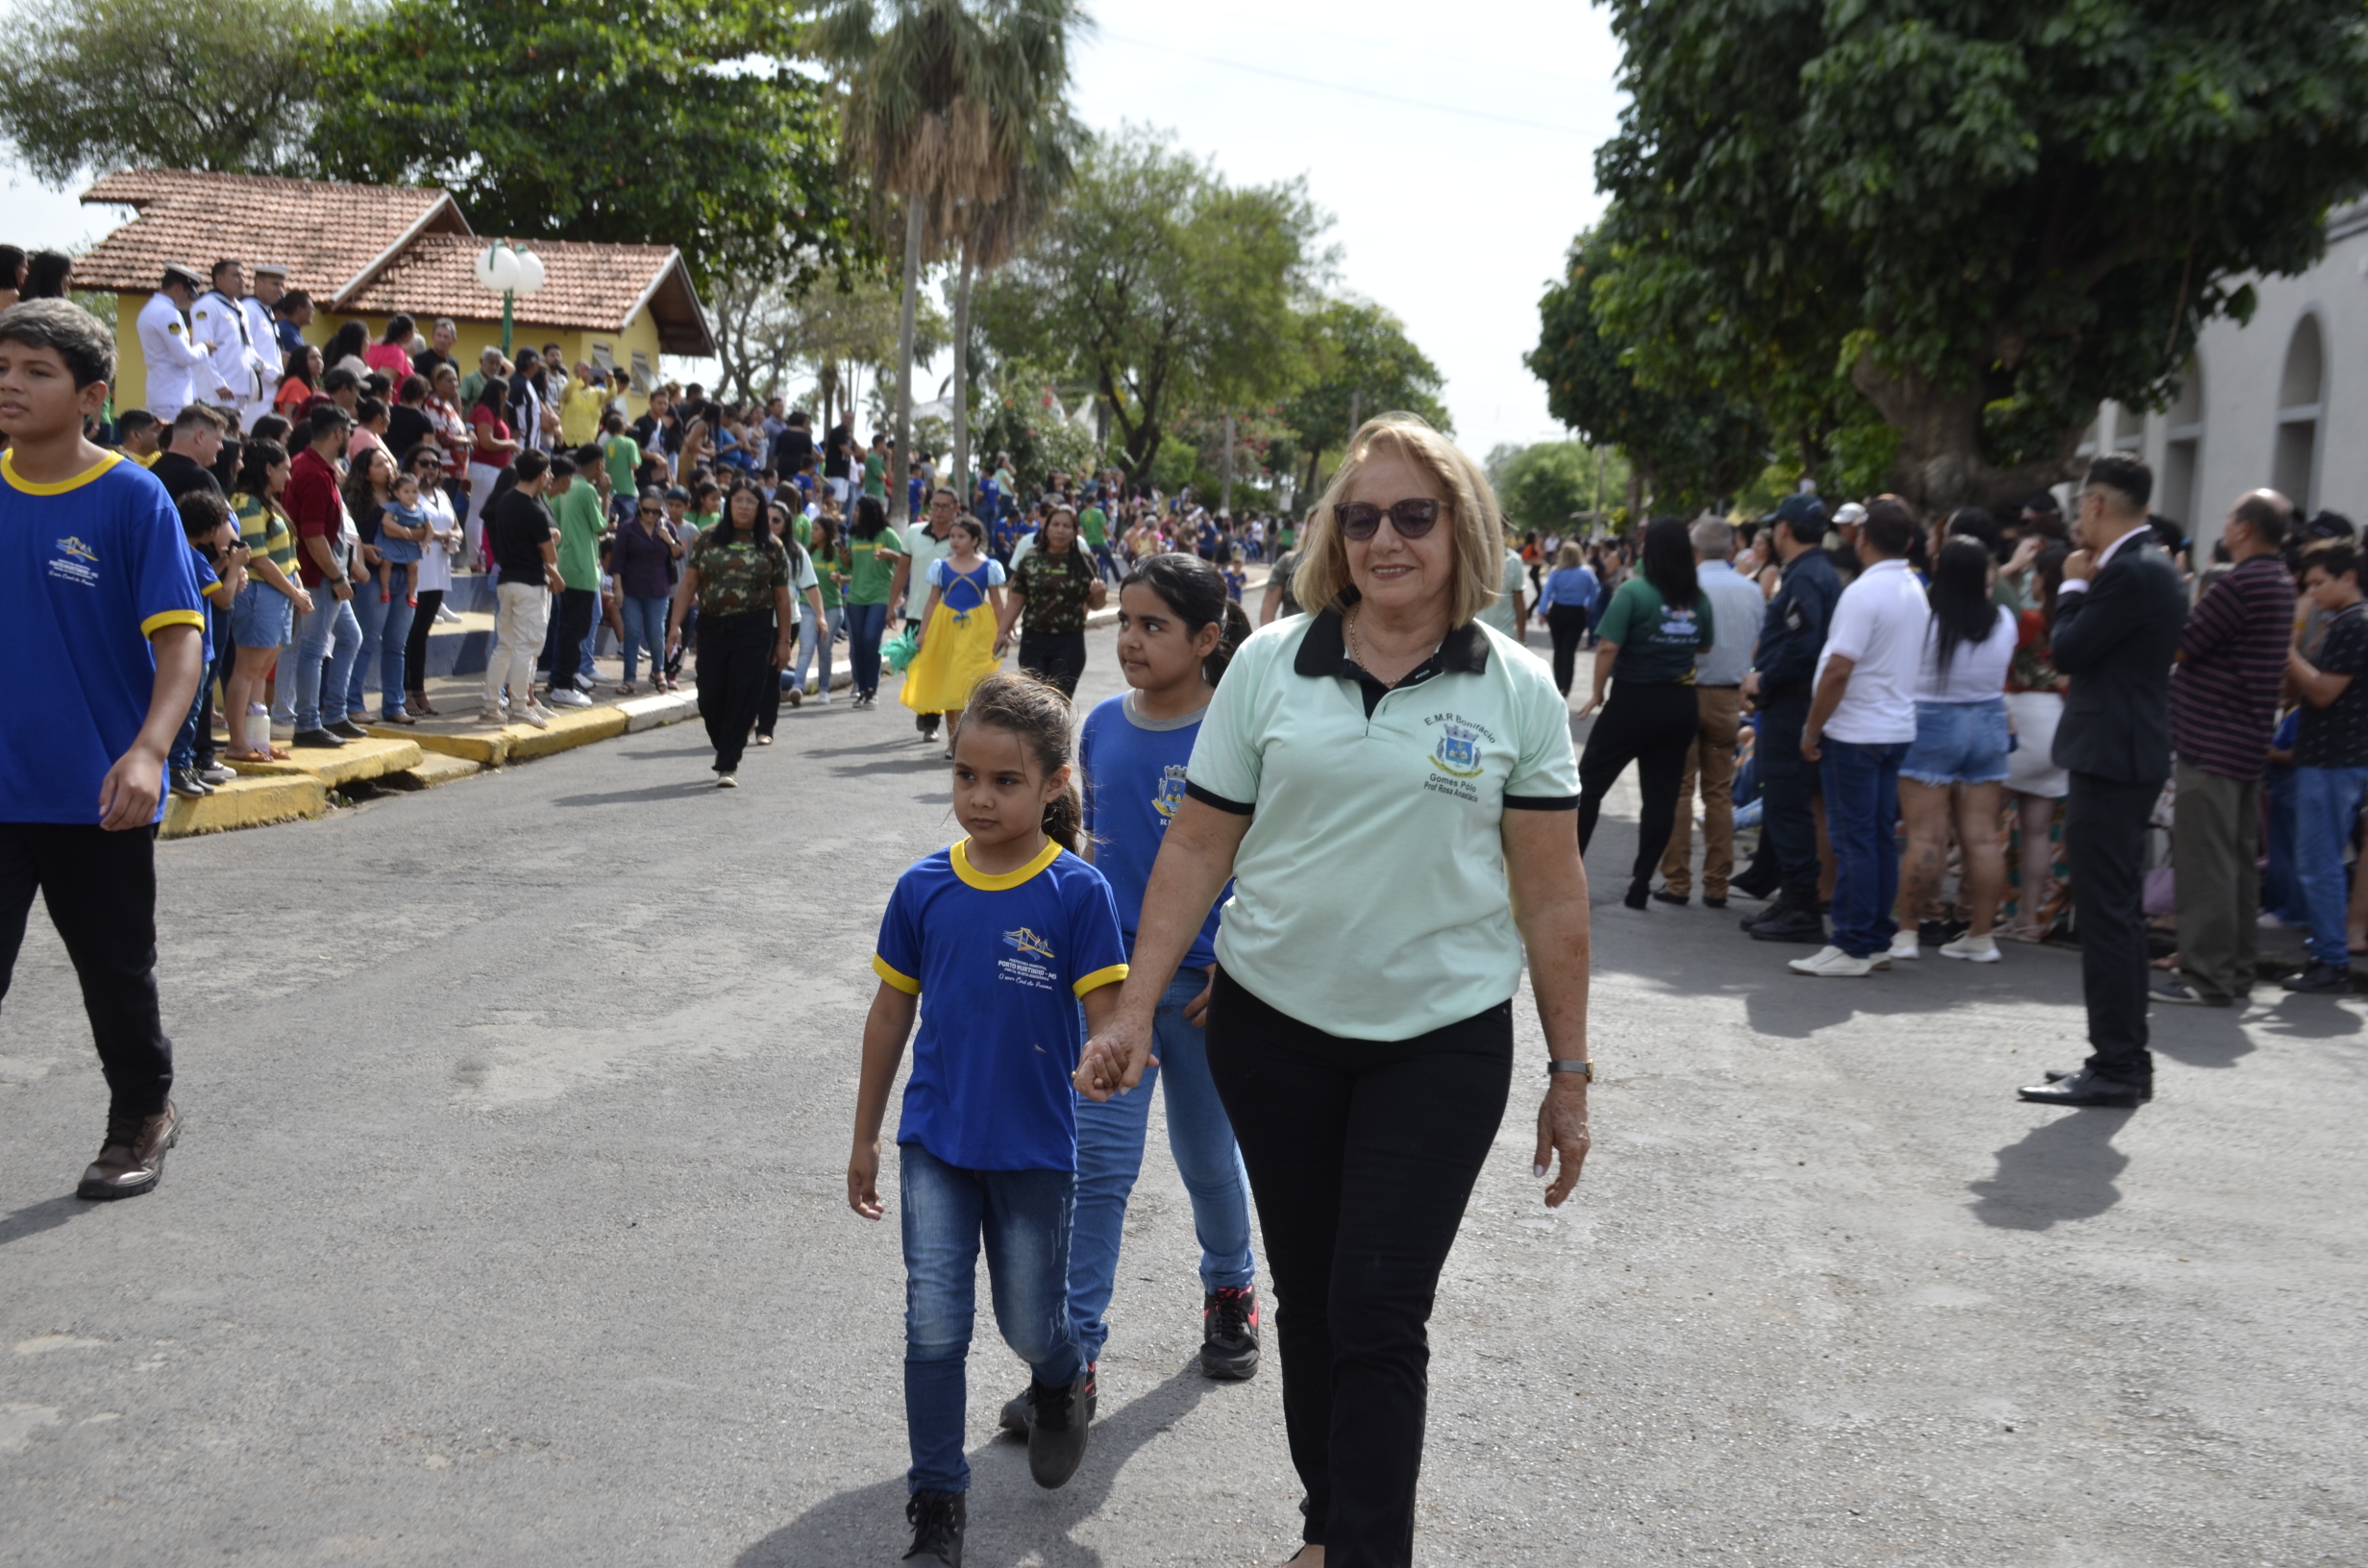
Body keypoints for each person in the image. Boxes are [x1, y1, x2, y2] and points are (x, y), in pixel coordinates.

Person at [1074, 414, 1591, 1568]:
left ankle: (1365, 1553)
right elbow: (1198, 849)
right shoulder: (1269, 662)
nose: (1386, 540)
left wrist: (1570, 1073)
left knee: (1375, 1307)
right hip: (1272, 1033)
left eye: (1414, 515)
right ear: (1333, 535)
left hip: (1441, 1042)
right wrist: (1131, 1006)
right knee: (1310, 1300)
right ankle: (1327, 1530)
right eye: (1361, 518)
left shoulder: (1516, 690)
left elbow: (1553, 898)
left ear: (1462, 527)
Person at [849, 674, 1130, 1563]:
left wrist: (1106, 1060)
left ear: (1054, 785)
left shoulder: (1078, 893)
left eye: (1005, 781)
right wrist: (864, 1135)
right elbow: (890, 1013)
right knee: (933, 1325)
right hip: (934, 1139)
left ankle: (1061, 1378)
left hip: (1034, 1151)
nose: (978, 797)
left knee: (1028, 1323)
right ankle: (938, 1505)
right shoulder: (923, 886)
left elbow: (1110, 1020)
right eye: (965, 774)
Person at [996, 554, 1262, 1448]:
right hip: (1113, 990)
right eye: (1128, 623)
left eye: (1156, 626)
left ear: (1208, 640)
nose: (1133, 642)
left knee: (1204, 1156)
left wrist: (1236, 956)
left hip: (1204, 994)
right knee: (1096, 1173)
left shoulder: (1236, 731)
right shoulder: (1101, 726)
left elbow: (1267, 856)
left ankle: (1230, 1291)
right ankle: (1073, 1364)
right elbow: (1081, 855)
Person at [0, 299, 206, 1201]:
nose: (10, 384)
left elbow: (181, 640)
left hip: (97, 791)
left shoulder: (132, 496)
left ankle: (141, 1118)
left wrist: (150, 751)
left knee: (116, 975)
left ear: (89, 396)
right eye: (3, 367)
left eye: (35, 372)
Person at [2020, 455, 2187, 1108]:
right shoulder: (2150, 565)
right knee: (2111, 910)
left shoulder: (2127, 572)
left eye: (2081, 508)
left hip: (2113, 755)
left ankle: (2118, 1065)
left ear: (2095, 506)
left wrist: (2068, 586)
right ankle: (2118, 1058)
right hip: (2123, 750)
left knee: (2109, 914)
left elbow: (2066, 649)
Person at [2156, 492, 2297, 1002]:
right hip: (2245, 740)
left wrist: (2176, 587)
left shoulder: (2238, 584)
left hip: (2213, 740)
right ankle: (2234, 970)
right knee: (2234, 865)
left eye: (2231, 517)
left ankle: (2206, 975)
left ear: (2243, 530)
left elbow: (2183, 642)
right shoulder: (2279, 581)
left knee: (2206, 866)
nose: (2225, 524)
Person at [1788, 497, 1929, 977]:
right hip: (1892, 727)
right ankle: (1872, 938)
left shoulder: (1865, 593)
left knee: (1854, 840)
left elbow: (1838, 670)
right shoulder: (1914, 588)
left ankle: (1851, 943)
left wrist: (1812, 728)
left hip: (1856, 730)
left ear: (1862, 537)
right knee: (1876, 838)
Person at [1882, 536, 2017, 965]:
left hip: (1932, 722)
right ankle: (1980, 936)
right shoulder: (2004, 620)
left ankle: (1907, 933)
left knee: (1926, 835)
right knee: (1981, 837)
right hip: (1989, 721)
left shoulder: (1925, 620)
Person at [1577, 516, 1715, 912]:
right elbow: (1704, 647)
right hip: (1679, 705)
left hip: (1632, 703)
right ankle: (1641, 880)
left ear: (1648, 550)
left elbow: (1607, 648)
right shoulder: (1698, 598)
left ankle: (1569, 871)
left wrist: (1596, 692)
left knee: (1588, 786)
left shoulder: (1633, 592)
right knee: (1661, 797)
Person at [1737, 497, 1843, 943]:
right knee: (1788, 805)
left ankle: (1801, 904)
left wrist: (1765, 679)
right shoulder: (1817, 572)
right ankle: (1793, 896)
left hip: (1790, 703)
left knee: (1787, 805)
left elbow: (1803, 646)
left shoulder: (1805, 576)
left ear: (1784, 529)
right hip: (1796, 702)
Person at [1657, 519, 1766, 908]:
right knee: (1719, 792)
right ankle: (1717, 883)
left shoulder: (1684, 589)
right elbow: (1760, 640)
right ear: (1733, 549)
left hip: (1686, 693)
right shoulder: (1752, 590)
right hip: (1728, 700)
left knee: (1681, 790)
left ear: (1694, 550)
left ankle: (1677, 881)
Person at [2278, 547, 2368, 993]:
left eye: (2317, 583)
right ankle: (2326, 953)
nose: (2311, 593)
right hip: (2330, 758)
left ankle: (2330, 959)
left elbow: (2323, 691)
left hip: (2333, 760)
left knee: (2320, 861)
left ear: (2348, 577)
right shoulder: (2345, 623)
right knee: (2320, 860)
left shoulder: (2354, 624)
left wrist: (2286, 648)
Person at [667, 483, 793, 786]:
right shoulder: (708, 538)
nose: (745, 506)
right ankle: (727, 740)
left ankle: (728, 764)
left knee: (745, 690)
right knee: (710, 695)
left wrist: (784, 642)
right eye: (739, 500)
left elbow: (782, 598)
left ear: (760, 508)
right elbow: (688, 583)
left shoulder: (772, 545)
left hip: (755, 627)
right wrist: (675, 625)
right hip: (712, 626)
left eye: (751, 501)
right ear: (729, 504)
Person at [282, 405, 367, 748]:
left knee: (350, 637)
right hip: (319, 576)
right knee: (314, 649)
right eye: (348, 431)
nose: (350, 437)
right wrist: (336, 576)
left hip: (325, 574)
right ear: (338, 433)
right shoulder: (315, 473)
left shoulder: (316, 467)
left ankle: (333, 714)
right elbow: (313, 536)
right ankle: (308, 723)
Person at [224, 439, 308, 759]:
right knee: (247, 670)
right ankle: (238, 742)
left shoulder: (267, 502)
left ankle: (257, 740)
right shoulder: (247, 502)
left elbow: (285, 557)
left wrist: (296, 588)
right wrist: (295, 592)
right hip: (261, 593)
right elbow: (258, 559)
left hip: (280, 592)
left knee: (260, 672)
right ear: (268, 468)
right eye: (285, 469)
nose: (289, 476)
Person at [900, 517, 1007, 757]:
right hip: (946, 628)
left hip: (979, 629)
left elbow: (997, 602)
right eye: (953, 536)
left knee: (974, 686)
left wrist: (1003, 632)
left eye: (961, 537)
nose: (955, 541)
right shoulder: (941, 566)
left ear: (975, 540)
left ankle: (974, 742)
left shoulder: (988, 567)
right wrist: (923, 634)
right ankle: (954, 744)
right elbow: (931, 601)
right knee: (950, 685)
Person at [481, 450, 564, 729]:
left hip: (506, 580)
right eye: (548, 474)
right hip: (529, 584)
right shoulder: (533, 509)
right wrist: (550, 538)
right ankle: (518, 706)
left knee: (504, 645)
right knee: (526, 646)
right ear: (541, 476)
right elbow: (550, 556)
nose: (549, 478)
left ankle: (492, 704)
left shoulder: (504, 501)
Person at [996, 503, 1105, 698]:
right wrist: (1002, 632)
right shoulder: (1031, 559)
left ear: (1075, 532)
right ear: (1046, 529)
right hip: (1033, 641)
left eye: (1066, 526)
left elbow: (1096, 604)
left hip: (1070, 642)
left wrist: (1100, 594)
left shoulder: (1084, 561)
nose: (1060, 530)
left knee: (1058, 704)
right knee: (1033, 704)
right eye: (1055, 524)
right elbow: (1016, 599)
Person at [752, 497, 826, 744]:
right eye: (767, 519)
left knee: (772, 675)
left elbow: (811, 586)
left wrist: (821, 616)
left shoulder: (796, 552)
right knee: (749, 673)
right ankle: (743, 721)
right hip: (752, 619)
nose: (771, 524)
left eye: (777, 520)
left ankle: (765, 729)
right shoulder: (749, 545)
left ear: (786, 525)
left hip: (785, 622)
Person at [891, 488, 964, 739]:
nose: (940, 511)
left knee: (943, 669)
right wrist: (891, 605)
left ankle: (932, 721)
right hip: (916, 612)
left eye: (946, 506)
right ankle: (924, 712)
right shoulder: (913, 532)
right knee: (918, 668)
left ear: (956, 508)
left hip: (951, 616)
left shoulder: (962, 537)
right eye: (936, 505)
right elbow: (902, 570)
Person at [399, 443, 459, 715]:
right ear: (412, 466)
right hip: (417, 570)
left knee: (422, 634)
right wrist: (441, 536)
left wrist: (454, 536)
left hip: (440, 569)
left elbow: (455, 525)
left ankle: (420, 691)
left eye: (435, 464)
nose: (431, 468)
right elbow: (410, 527)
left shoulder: (442, 494)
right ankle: (405, 691)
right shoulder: (407, 494)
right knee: (409, 634)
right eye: (424, 463)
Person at [546, 453, 604, 708]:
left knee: (564, 627)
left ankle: (558, 677)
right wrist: (606, 495)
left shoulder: (561, 489)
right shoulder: (588, 490)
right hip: (582, 569)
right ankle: (564, 684)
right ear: (600, 464)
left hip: (564, 566)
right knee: (576, 630)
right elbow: (600, 526)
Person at [613, 486, 681, 695]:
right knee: (632, 632)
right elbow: (617, 561)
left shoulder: (667, 527)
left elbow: (679, 554)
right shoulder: (627, 528)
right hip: (631, 588)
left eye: (656, 511)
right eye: (647, 510)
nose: (651, 515)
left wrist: (668, 540)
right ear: (639, 508)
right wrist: (617, 588)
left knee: (656, 633)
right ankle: (629, 678)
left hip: (658, 589)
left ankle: (658, 671)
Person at [841, 495, 903, 709]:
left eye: (857, 510)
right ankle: (862, 688)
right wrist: (844, 559)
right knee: (857, 644)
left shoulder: (888, 534)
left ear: (868, 511)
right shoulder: (854, 537)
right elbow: (850, 568)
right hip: (856, 596)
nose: (854, 514)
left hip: (880, 594)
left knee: (870, 639)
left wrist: (890, 554)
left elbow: (904, 561)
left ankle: (872, 689)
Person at [136, 264, 215, 424]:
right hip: (173, 396)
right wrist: (204, 348)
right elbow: (184, 357)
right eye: (188, 293)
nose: (188, 299)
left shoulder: (150, 309)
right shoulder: (168, 313)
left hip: (162, 392)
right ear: (178, 288)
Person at [190, 259, 262, 425]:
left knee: (234, 438)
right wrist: (218, 384)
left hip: (240, 388)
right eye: (236, 276)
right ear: (219, 279)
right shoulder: (206, 306)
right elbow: (203, 347)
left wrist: (263, 370)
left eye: (243, 276)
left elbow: (247, 347)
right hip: (218, 391)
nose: (242, 280)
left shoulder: (240, 308)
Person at [1534, 542, 1600, 697]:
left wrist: (1542, 611)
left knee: (1558, 649)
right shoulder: (1586, 572)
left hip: (1558, 611)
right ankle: (1566, 685)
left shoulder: (1556, 572)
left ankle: (1558, 681)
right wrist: (1589, 604)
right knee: (1569, 650)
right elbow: (1595, 590)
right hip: (1576, 612)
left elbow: (1547, 592)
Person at [796, 513, 847, 701]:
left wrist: (841, 578)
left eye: (816, 529)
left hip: (832, 608)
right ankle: (797, 686)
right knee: (806, 647)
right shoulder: (806, 553)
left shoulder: (837, 554)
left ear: (827, 532)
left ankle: (824, 689)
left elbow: (852, 573)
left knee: (825, 650)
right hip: (807, 607)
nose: (812, 533)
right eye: (812, 529)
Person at [152, 405, 228, 504]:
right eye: (219, 439)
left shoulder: (152, 473)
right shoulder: (201, 479)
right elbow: (222, 519)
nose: (221, 447)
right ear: (200, 437)